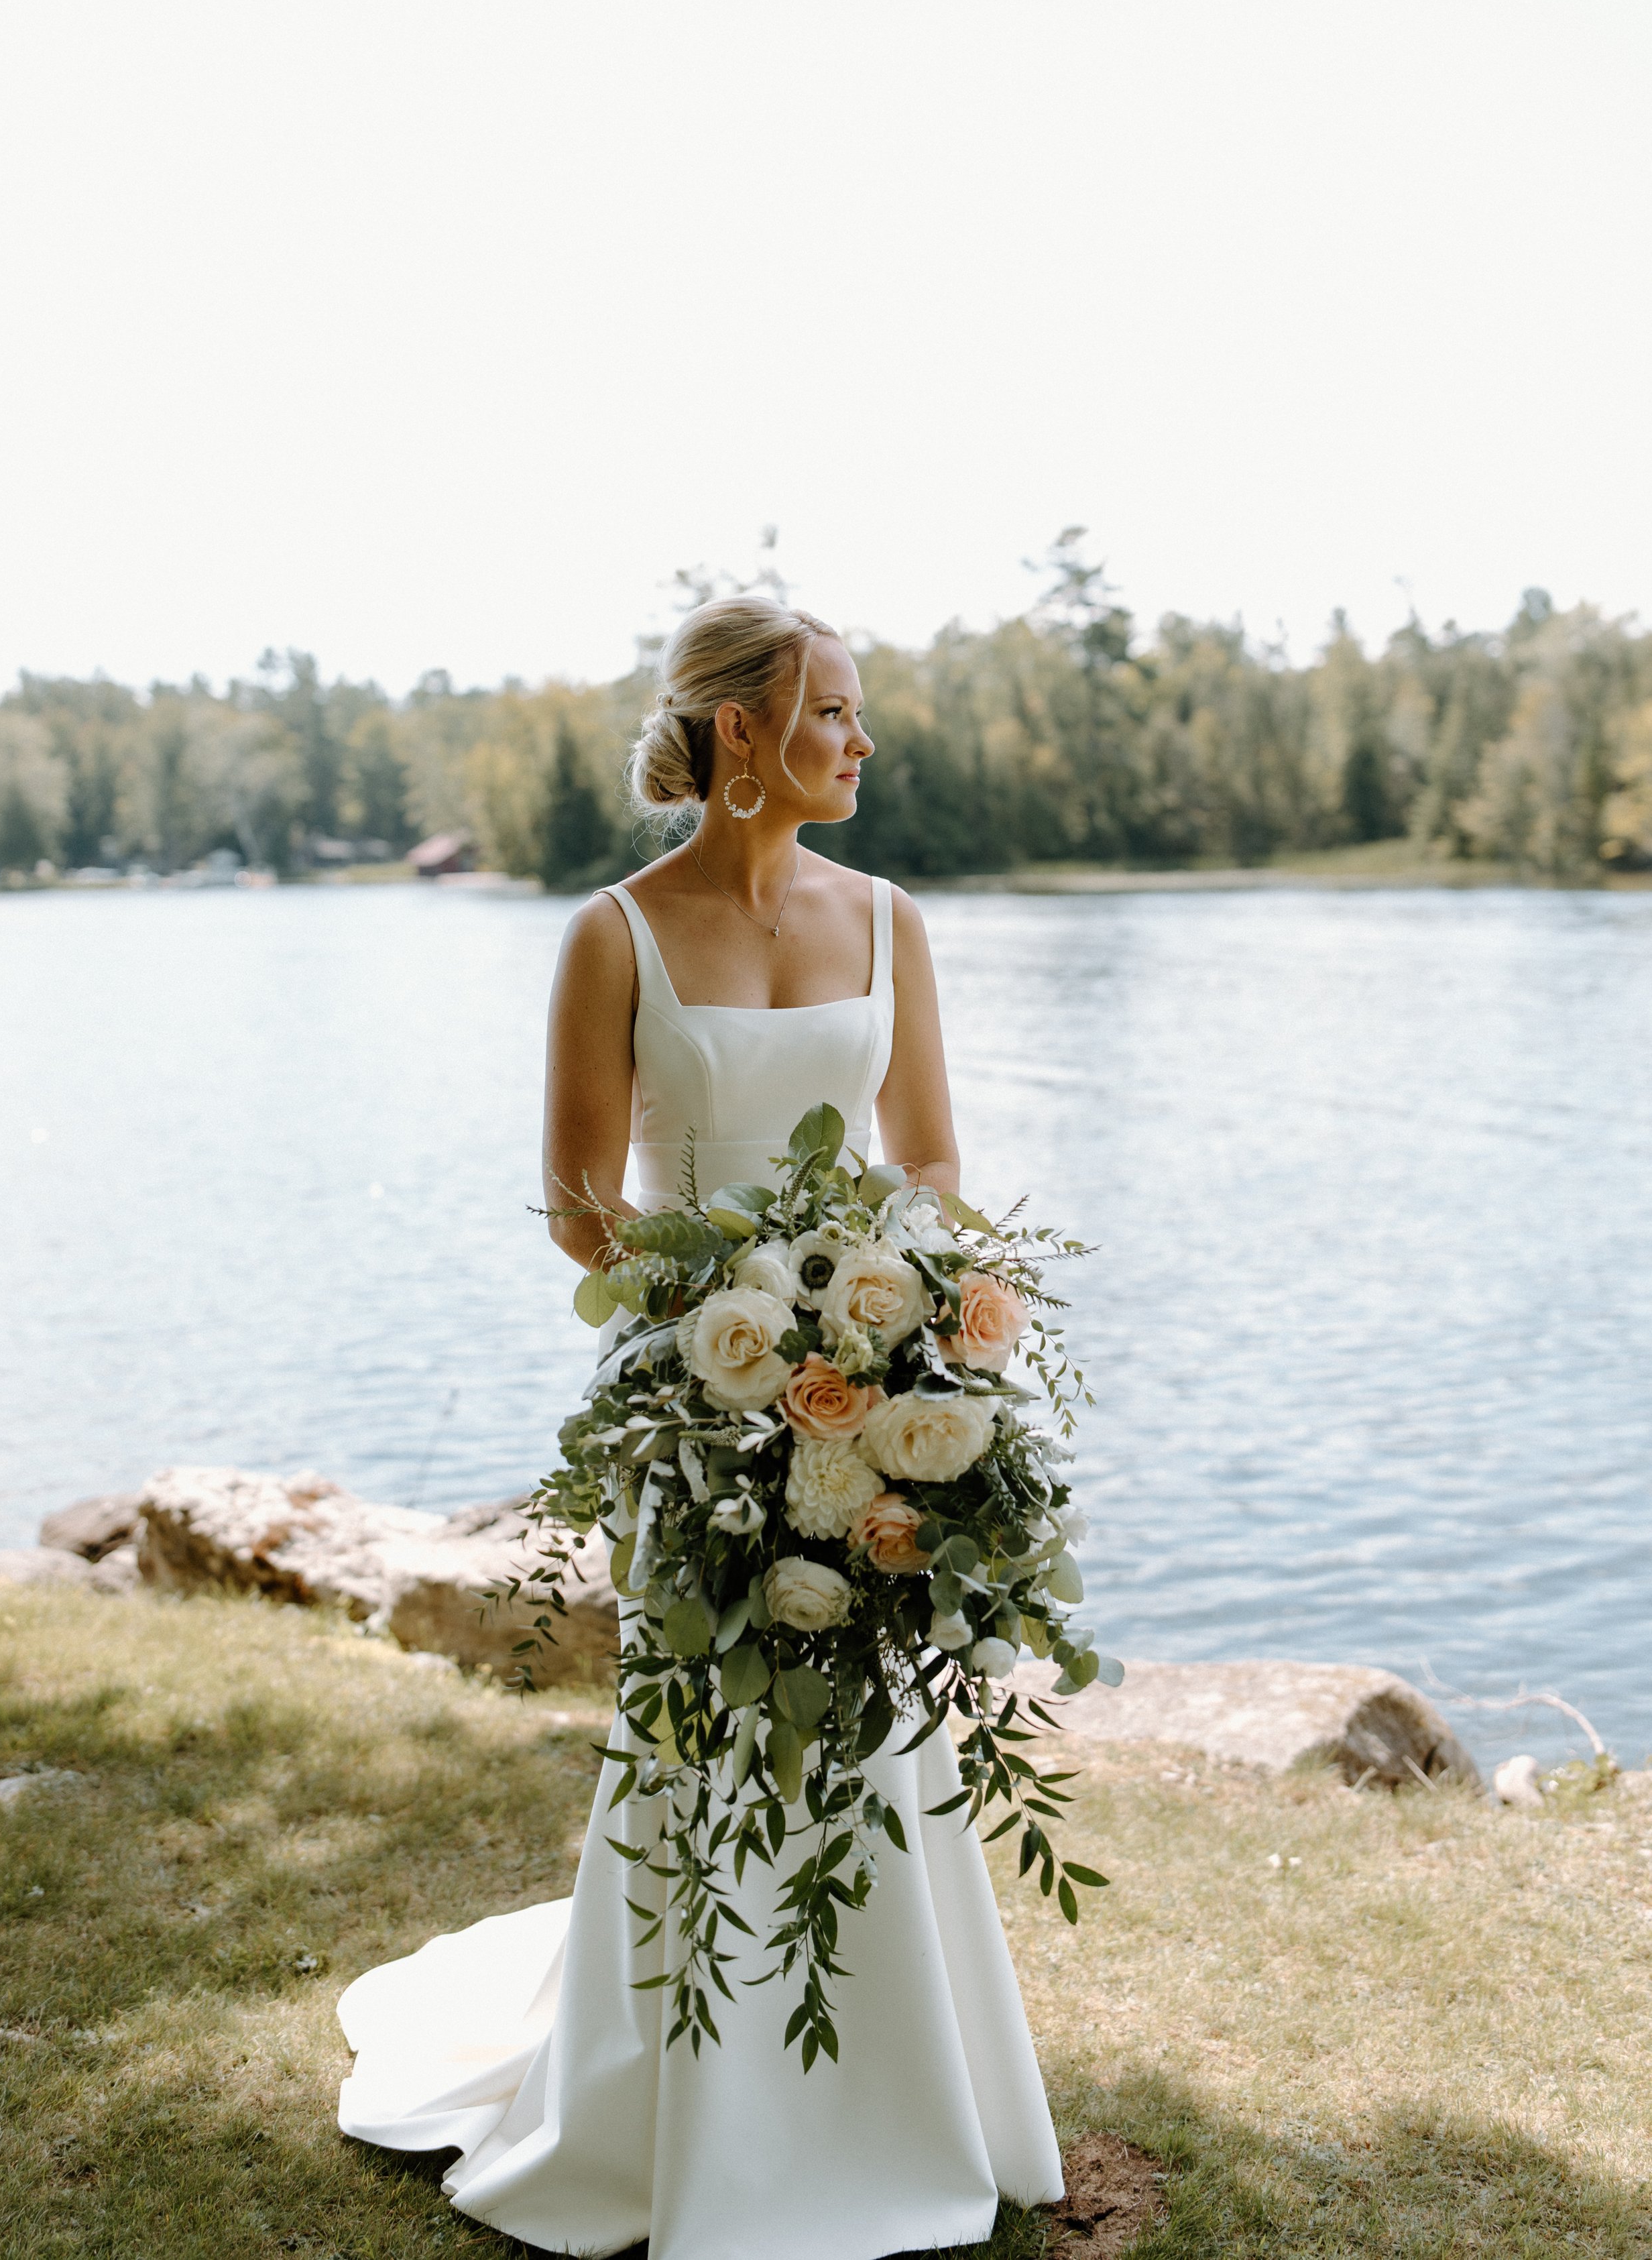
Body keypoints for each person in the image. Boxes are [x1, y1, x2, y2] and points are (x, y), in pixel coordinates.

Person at [337, 599, 1064, 2259]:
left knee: (871, 1727)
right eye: (832, 711)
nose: (861, 741)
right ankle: (675, 2110)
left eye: (859, 712)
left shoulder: (888, 919)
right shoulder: (614, 935)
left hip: (870, 1386)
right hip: (694, 1394)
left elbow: (931, 1158)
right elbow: (582, 1210)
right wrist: (733, 1312)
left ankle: (891, 2103)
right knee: (700, 1725)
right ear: (741, 730)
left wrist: (880, 1302)